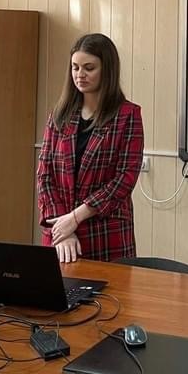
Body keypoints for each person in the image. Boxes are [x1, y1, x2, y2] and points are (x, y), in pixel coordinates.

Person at [37, 33, 144, 263]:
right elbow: (44, 175)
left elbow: (125, 179)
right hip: (61, 235)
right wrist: (63, 226)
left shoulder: (127, 115)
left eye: (89, 68)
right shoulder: (59, 115)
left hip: (105, 234)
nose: (80, 74)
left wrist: (75, 217)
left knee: (109, 287)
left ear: (107, 70)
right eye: (75, 67)